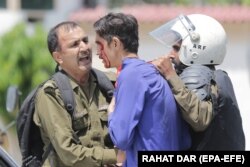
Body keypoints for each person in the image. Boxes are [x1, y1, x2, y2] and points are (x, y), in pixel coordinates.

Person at [93, 12, 191, 167]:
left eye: (100, 44)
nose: (98, 52)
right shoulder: (147, 72)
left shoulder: (131, 75)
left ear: (115, 43)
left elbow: (121, 138)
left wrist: (111, 111)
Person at [151, 14, 245, 150]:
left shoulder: (196, 77)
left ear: (196, 50)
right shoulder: (217, 76)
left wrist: (170, 75)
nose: (170, 54)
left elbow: (200, 119)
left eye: (176, 48)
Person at [33, 21, 120, 167]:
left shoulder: (110, 84)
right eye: (75, 44)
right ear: (58, 57)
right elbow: (68, 153)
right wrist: (117, 155)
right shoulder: (51, 95)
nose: (85, 47)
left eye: (85, 41)